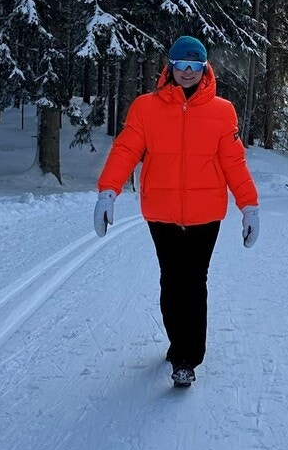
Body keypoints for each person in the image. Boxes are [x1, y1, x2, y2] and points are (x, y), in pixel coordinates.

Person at [93, 36, 259, 388]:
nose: (187, 72)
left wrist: (249, 207)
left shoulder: (222, 111)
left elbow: (234, 163)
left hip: (205, 214)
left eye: (194, 65)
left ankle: (188, 357)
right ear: (170, 66)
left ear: (204, 68)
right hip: (162, 211)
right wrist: (108, 191)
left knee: (194, 281)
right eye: (181, 64)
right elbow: (126, 150)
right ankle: (176, 343)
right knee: (171, 280)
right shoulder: (145, 107)